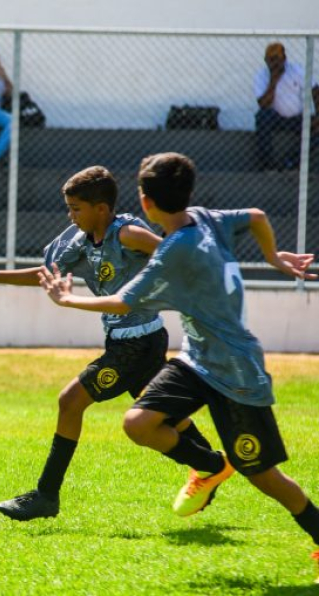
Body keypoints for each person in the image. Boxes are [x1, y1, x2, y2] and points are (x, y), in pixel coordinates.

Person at [39, 152, 319, 579]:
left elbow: (123, 302)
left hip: (236, 372)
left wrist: (66, 299)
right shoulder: (207, 218)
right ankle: (210, 467)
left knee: (262, 475)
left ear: (146, 202)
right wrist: (273, 257)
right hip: (195, 360)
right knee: (138, 423)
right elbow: (258, 216)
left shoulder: (173, 252)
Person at [0, 165, 212, 522]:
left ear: (101, 209)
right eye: (69, 208)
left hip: (136, 345)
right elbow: (47, 275)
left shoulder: (127, 234)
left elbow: (171, 251)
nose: (70, 216)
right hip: (134, 340)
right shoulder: (83, 241)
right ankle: (210, 465)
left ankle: (46, 495)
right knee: (167, 417)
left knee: (70, 401)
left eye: (76, 208)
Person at [253, 42, 319, 170]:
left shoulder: (296, 70)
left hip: (297, 118)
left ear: (284, 59)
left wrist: (318, 115)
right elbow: (263, 104)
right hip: (275, 118)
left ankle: (290, 162)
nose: (274, 64)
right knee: (261, 116)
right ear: (266, 61)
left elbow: (315, 90)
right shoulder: (261, 76)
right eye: (271, 60)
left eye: (277, 59)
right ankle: (267, 166)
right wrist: (274, 80)